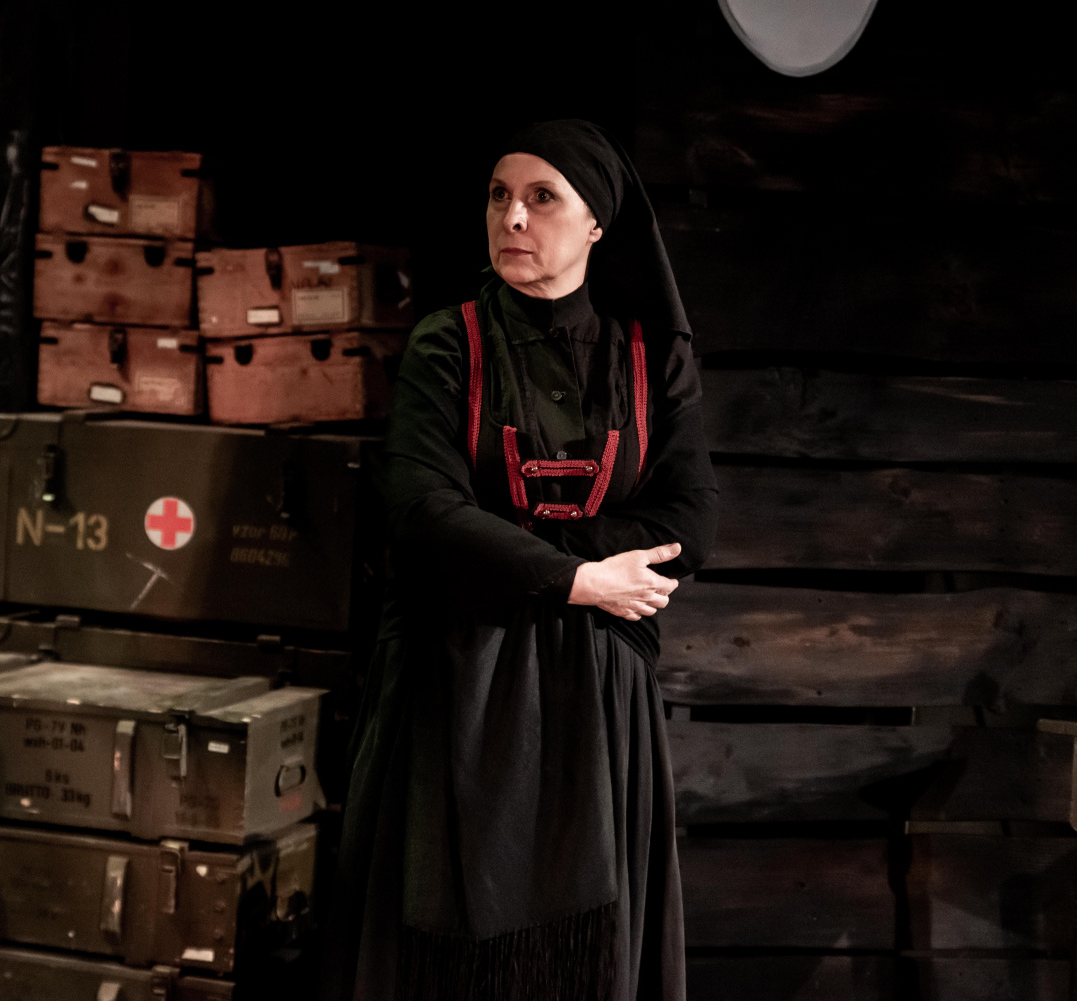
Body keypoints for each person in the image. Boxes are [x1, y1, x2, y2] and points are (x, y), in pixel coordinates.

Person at [324, 119, 720, 1001]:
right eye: (500, 196)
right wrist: (581, 578)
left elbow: (690, 522)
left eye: (543, 198)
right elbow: (424, 514)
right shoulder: (447, 344)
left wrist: (514, 545)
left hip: (596, 694)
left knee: (582, 957)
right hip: (455, 678)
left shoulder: (650, 359)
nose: (512, 217)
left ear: (596, 224)